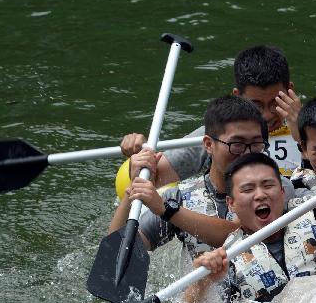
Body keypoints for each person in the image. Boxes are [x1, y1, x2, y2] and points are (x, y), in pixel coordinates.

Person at [184, 152, 316, 303]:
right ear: (231, 204)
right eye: (247, 189)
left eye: (268, 185)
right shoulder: (228, 261)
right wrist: (202, 282)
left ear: (282, 193)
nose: (261, 195)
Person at [109, 95, 269, 260]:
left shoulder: (278, 189)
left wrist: (166, 210)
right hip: (201, 286)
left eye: (257, 144)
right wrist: (134, 190)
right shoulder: (178, 198)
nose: (248, 154)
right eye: (237, 144)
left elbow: (237, 234)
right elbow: (115, 255)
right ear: (208, 144)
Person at [121, 45, 304, 182]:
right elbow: (154, 177)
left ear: (290, 91)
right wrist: (140, 157)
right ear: (237, 97)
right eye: (256, 106)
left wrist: (303, 135)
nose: (266, 116)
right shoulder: (217, 134)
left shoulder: (313, 127)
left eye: (275, 104)